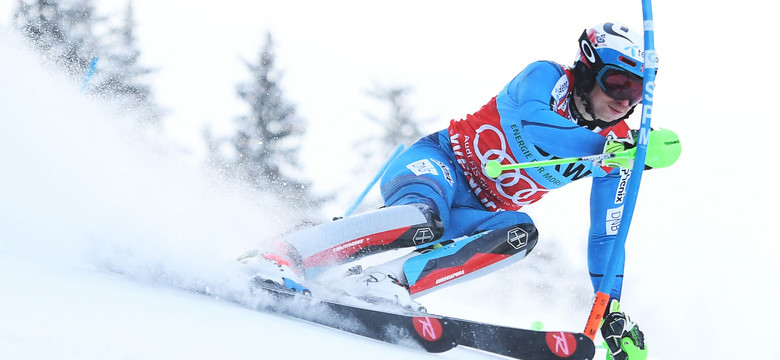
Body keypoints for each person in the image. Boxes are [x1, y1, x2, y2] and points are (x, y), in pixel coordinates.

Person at [242, 21, 676, 360]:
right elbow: (536, 125)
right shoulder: (546, 79)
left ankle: (386, 283)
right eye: (618, 82)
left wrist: (611, 308)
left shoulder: (615, 148)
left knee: (520, 233)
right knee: (424, 220)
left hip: (478, 212)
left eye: (636, 90)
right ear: (587, 69)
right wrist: (618, 148)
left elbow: (607, 234)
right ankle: (282, 255)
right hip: (438, 165)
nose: (625, 100)